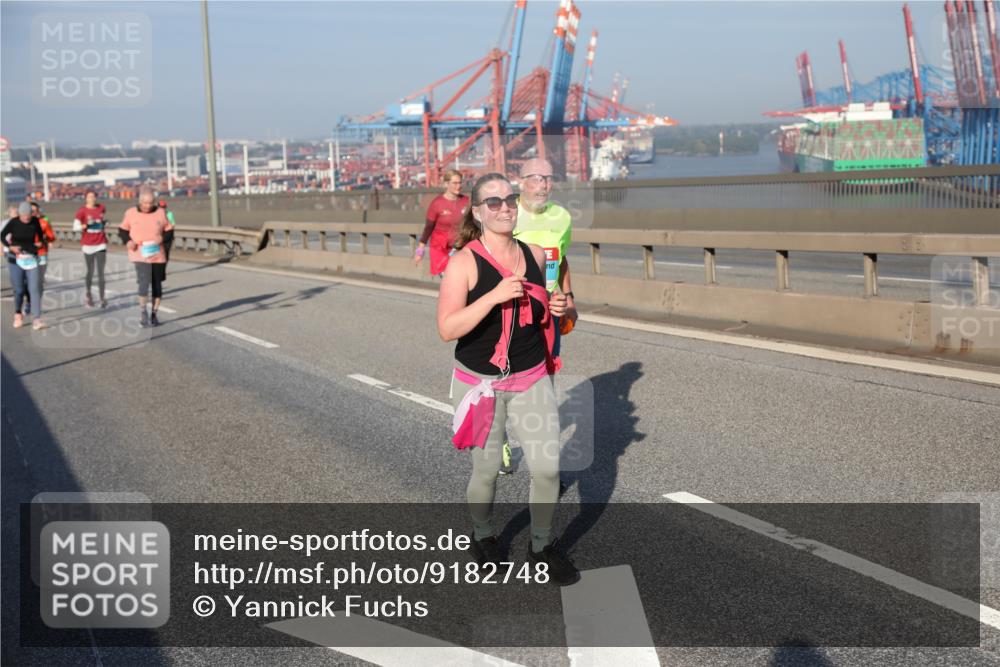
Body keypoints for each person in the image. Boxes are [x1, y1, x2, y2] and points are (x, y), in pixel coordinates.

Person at [437, 172, 578, 585]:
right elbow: (447, 328)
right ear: (478, 212)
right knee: (485, 471)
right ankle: (483, 536)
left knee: (547, 469)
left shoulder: (535, 254)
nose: (505, 208)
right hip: (479, 385)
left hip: (531, 376)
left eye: (510, 199)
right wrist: (493, 297)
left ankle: (541, 546)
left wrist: (562, 308)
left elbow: (562, 309)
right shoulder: (464, 262)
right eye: (493, 202)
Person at [498, 158, 579, 475]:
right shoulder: (506, 214)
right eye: (536, 177)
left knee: (544, 386)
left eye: (548, 178)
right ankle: (498, 437)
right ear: (520, 181)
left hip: (548, 311)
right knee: (503, 382)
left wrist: (568, 298)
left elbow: (562, 259)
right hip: (509, 311)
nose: (543, 184)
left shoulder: (562, 217)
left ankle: (545, 469)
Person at [119, 188, 173, 327]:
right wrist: (128, 241)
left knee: (157, 285)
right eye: (145, 203)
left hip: (157, 254)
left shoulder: (160, 212)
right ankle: (143, 312)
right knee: (144, 282)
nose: (148, 206)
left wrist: (161, 239)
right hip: (139, 253)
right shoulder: (131, 213)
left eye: (150, 203)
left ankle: (154, 314)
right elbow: (123, 230)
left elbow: (169, 231)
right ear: (140, 201)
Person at [414, 169, 468, 276]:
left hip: (459, 246)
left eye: (460, 183)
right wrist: (420, 251)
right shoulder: (437, 204)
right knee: (449, 278)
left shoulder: (466, 201)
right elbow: (428, 227)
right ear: (446, 184)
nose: (458, 186)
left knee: (461, 278)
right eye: (455, 183)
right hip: (440, 249)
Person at [2, 202, 46, 329]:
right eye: (24, 215)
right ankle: (18, 313)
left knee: (34, 288)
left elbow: (41, 237)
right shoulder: (14, 222)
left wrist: (40, 243)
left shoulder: (35, 221)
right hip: (15, 259)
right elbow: (2, 236)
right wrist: (10, 247)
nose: (26, 218)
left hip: (31, 257)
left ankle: (37, 319)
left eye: (28, 215)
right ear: (20, 214)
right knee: (19, 289)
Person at [74, 190, 109, 308]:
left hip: (101, 243)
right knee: (91, 271)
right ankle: (88, 295)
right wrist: (85, 225)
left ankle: (102, 298)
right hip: (88, 244)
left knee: (101, 272)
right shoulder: (82, 211)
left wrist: (104, 223)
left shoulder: (101, 208)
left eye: (94, 196)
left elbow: (101, 220)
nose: (92, 198)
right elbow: (75, 227)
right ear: (86, 198)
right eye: (89, 196)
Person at [29, 201, 57, 308]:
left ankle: (36, 303)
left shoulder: (44, 222)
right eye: (31, 211)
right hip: (27, 255)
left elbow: (52, 237)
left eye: (36, 211)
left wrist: (47, 239)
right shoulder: (22, 223)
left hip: (41, 253)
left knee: (39, 282)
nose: (34, 213)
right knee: (30, 281)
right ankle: (29, 302)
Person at [158, 200, 176, 280]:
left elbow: (173, 224)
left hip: (168, 235)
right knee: (158, 253)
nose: (162, 208)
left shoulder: (169, 214)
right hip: (158, 236)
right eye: (161, 207)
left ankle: (163, 269)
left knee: (166, 253)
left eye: (164, 207)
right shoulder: (155, 215)